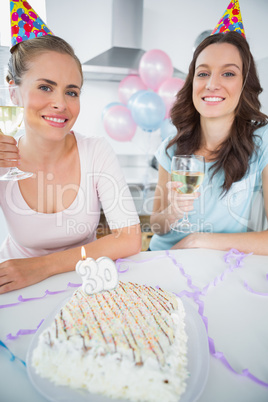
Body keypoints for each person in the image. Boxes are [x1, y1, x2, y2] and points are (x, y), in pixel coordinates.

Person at [0, 34, 141, 293]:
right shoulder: (3, 158)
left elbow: (130, 239)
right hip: (14, 286)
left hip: (84, 285)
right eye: (45, 87)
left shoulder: (95, 150)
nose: (61, 104)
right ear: (13, 92)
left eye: (71, 92)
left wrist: (42, 266)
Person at [149, 31, 268, 255]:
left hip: (218, 264)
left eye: (228, 73)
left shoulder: (263, 142)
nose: (212, 84)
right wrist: (173, 211)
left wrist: (197, 241)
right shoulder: (171, 147)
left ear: (245, 84)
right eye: (203, 73)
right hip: (162, 259)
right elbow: (157, 225)